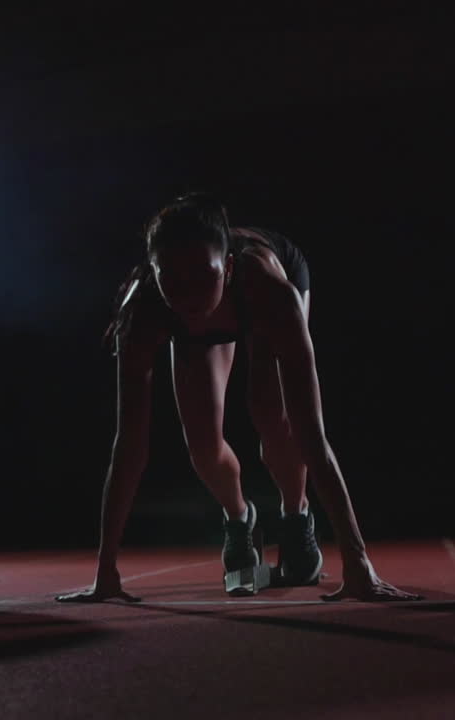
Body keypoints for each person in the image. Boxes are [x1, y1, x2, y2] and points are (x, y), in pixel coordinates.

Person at [58, 194, 419, 602]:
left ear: (227, 267)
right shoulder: (144, 311)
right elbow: (129, 445)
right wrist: (105, 572)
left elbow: (312, 435)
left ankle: (296, 516)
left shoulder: (271, 293)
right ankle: (237, 518)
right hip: (216, 313)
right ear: (154, 274)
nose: (189, 293)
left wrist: (358, 563)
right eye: (172, 279)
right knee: (202, 445)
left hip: (261, 292)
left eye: (201, 274)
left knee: (272, 412)